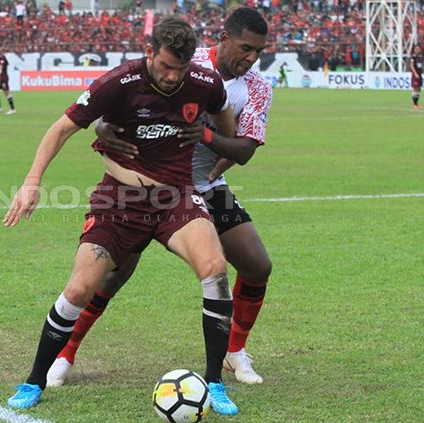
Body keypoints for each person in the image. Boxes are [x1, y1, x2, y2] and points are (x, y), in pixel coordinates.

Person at [4, 16, 241, 415]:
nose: (171, 77)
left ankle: (215, 382)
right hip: (119, 201)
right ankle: (34, 380)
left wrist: (212, 143)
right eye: (165, 66)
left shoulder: (204, 83)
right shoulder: (120, 82)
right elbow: (61, 128)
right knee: (80, 289)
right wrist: (32, 181)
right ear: (149, 52)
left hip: (176, 198)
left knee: (215, 269)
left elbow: (225, 123)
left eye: (180, 69)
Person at [47, 7, 273, 388]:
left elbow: (244, 150)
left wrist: (204, 137)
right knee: (111, 278)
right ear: (224, 39)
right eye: (245, 48)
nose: (250, 58)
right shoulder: (185, 61)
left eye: (258, 52)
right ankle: (65, 353)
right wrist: (103, 125)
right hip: (145, 187)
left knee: (256, 265)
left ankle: (235, 352)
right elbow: (122, 100)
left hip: (201, 188)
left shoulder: (259, 88)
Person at [0, 45, 16, 115]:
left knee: (6, 92)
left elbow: (1, 68)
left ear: (0, 49)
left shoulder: (2, 57)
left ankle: (12, 109)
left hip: (3, 77)